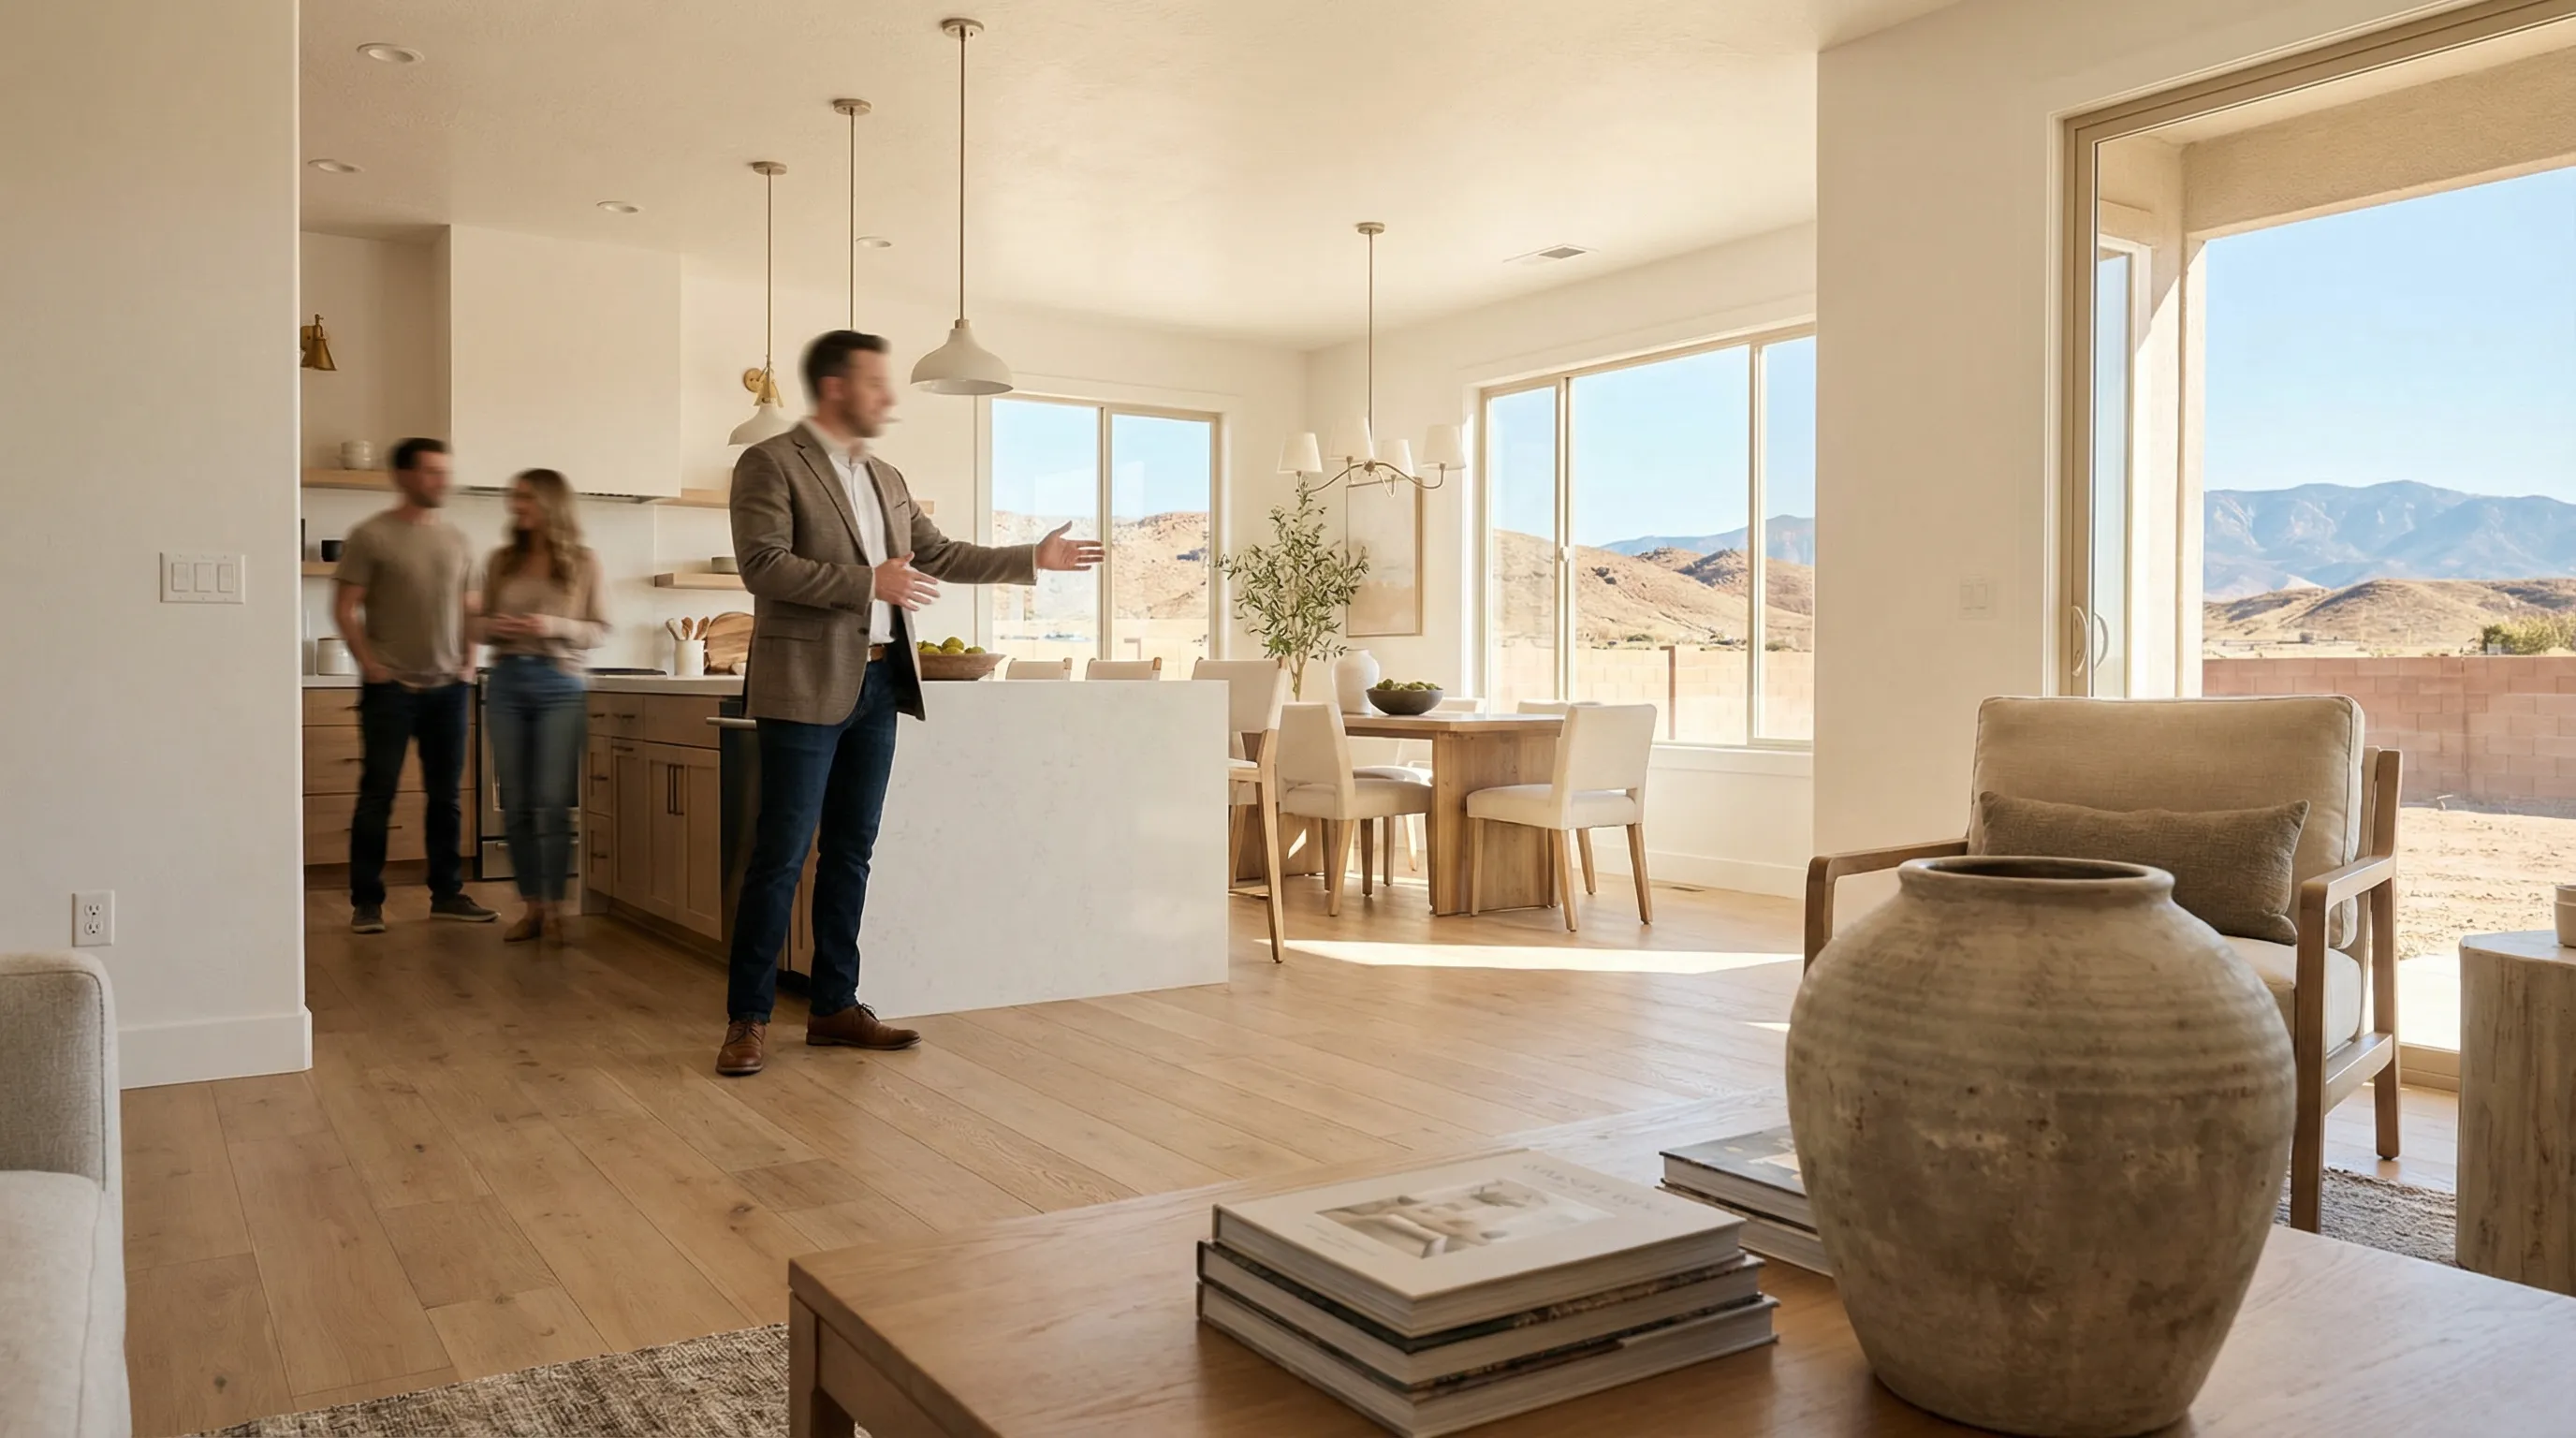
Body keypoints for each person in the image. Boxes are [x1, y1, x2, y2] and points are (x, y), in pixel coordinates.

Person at [717, 330, 1103, 1077]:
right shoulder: (768, 462)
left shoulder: (887, 476)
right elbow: (763, 567)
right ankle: (748, 1019)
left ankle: (834, 1006)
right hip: (802, 684)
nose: (888, 398)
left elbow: (940, 555)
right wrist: (869, 583)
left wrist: (1034, 559)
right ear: (835, 388)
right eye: (875, 383)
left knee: (852, 853)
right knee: (781, 856)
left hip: (879, 683)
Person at [332, 437, 498, 932]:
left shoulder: (457, 540)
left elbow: (472, 610)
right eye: (430, 471)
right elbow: (346, 607)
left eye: (445, 471)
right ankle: (367, 902)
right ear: (403, 476)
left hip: (449, 689)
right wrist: (371, 665)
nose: (441, 481)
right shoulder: (371, 536)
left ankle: (447, 894)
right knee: (377, 796)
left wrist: (470, 664)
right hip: (391, 691)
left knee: (445, 797)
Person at [475, 469, 607, 942]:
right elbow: (478, 627)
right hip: (507, 682)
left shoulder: (583, 562)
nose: (516, 505)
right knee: (518, 803)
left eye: (525, 497)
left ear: (551, 503)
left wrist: (550, 625)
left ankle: (554, 908)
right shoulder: (500, 561)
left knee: (551, 802)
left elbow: (599, 628)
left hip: (560, 685)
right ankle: (532, 907)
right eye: (514, 497)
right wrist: (497, 627)